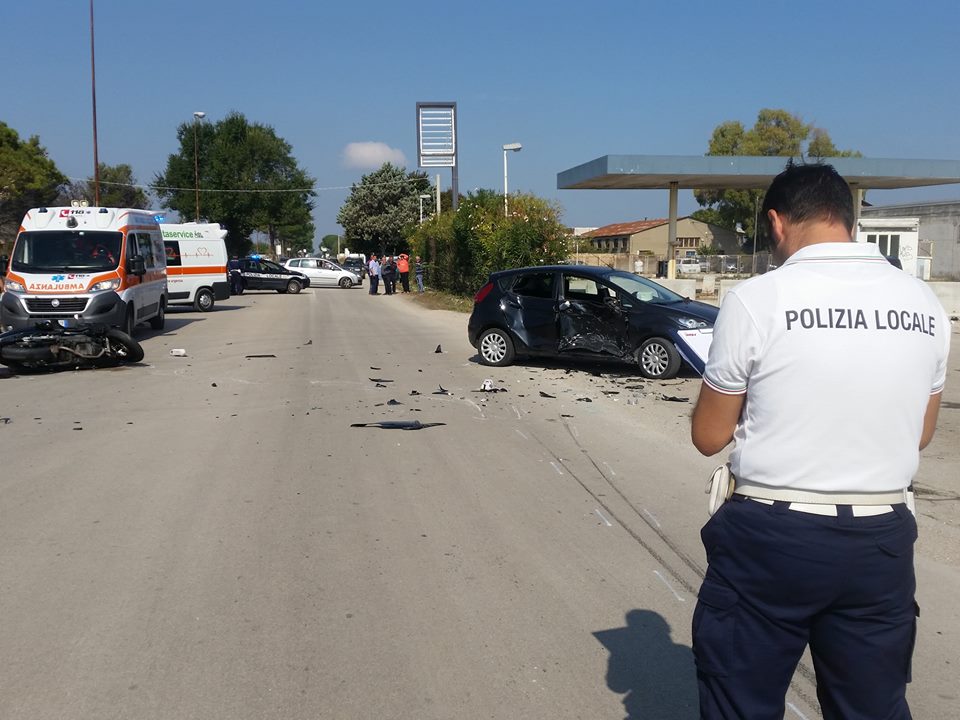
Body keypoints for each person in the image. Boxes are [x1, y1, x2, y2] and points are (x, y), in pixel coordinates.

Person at [690, 162, 950, 720]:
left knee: (741, 703)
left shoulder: (756, 299)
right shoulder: (926, 305)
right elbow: (921, 433)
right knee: (872, 708)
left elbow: (708, 436)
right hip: (881, 542)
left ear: (778, 223)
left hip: (773, 538)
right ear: (849, 221)